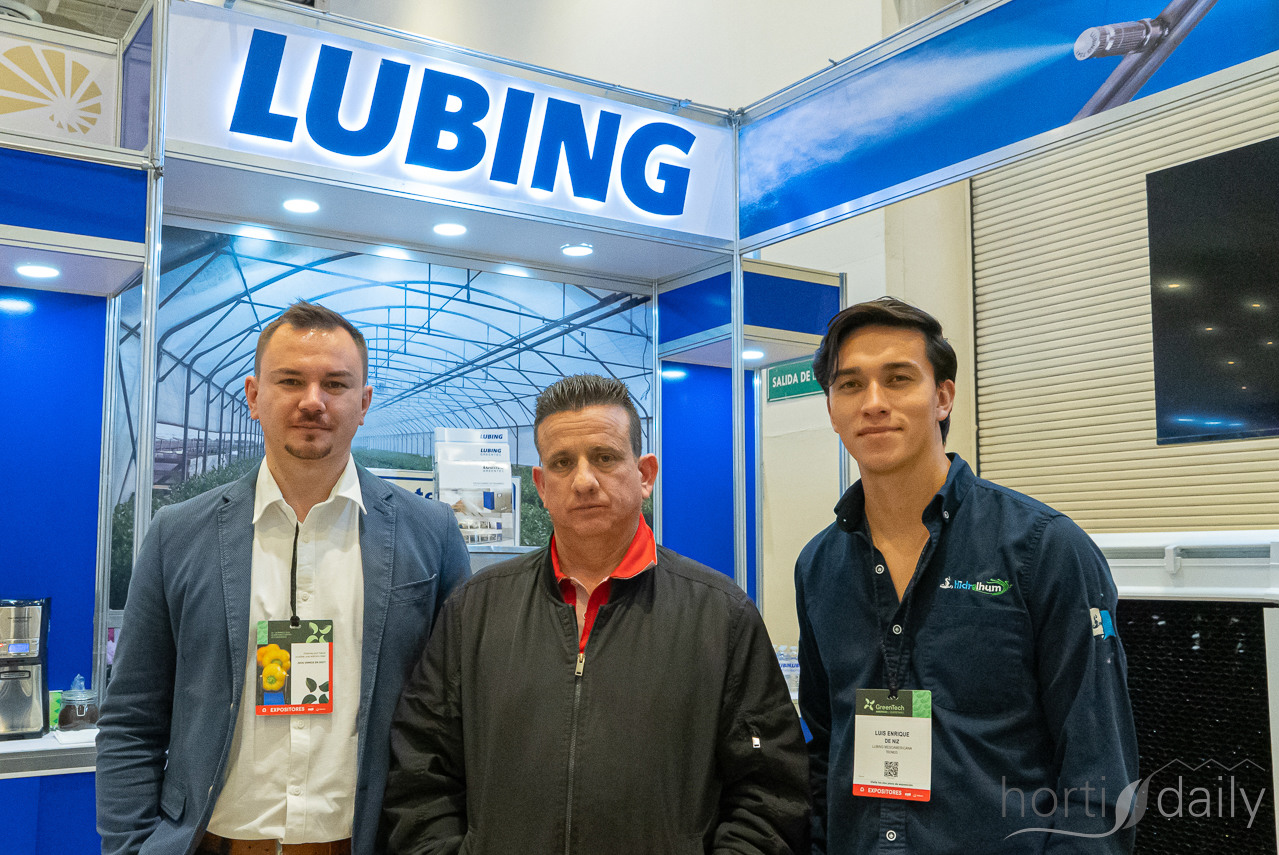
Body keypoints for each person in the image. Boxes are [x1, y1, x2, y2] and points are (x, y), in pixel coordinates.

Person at [97, 301, 471, 855]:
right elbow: (132, 716)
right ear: (254, 396)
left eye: (336, 384)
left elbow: (455, 715)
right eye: (290, 380)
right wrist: (130, 846)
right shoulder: (178, 534)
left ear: (364, 403)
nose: (313, 401)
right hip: (216, 842)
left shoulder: (430, 532)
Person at [382, 374, 810, 854]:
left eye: (604, 457)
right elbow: (420, 770)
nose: (584, 481)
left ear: (645, 475)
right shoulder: (474, 610)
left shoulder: (720, 615)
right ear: (542, 486)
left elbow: (769, 795)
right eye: (562, 463)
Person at [795, 297, 1138, 854]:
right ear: (832, 410)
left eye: (899, 379)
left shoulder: (1044, 548)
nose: (874, 403)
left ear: (943, 397)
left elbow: (1097, 775)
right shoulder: (819, 566)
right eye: (850, 385)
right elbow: (823, 748)